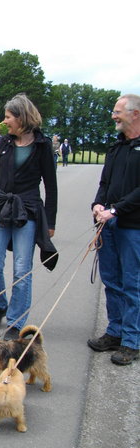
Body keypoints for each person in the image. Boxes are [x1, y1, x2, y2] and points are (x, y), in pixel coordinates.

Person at [0, 94, 58, 340]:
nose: (5, 121)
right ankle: (0, 305)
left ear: (21, 117)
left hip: (27, 211)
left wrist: (51, 221)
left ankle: (16, 322)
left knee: (21, 269)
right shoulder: (5, 143)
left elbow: (51, 185)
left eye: (8, 117)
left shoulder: (42, 146)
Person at [87, 93, 140, 366]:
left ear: (135, 113)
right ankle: (115, 331)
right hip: (107, 224)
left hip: (133, 227)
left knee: (132, 284)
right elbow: (105, 182)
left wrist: (116, 209)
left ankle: (132, 341)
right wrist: (98, 204)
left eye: (118, 111)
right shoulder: (116, 147)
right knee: (111, 281)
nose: (113, 115)